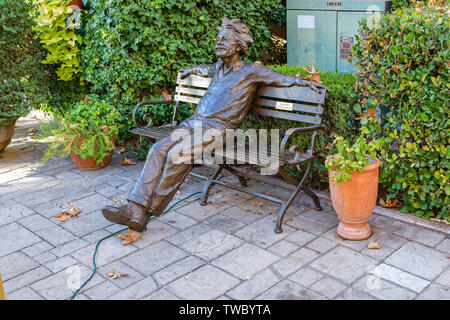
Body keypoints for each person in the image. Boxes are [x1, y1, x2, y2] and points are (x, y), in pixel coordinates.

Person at [102, 17, 325, 231]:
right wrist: (190, 70)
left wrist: (305, 83)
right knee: (158, 149)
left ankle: (149, 210)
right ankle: (136, 208)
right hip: (194, 123)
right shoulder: (218, 67)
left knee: (176, 154)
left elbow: (279, 78)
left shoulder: (251, 72)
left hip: (219, 129)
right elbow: (203, 69)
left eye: (225, 40)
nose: (219, 42)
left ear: (238, 46)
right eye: (218, 39)